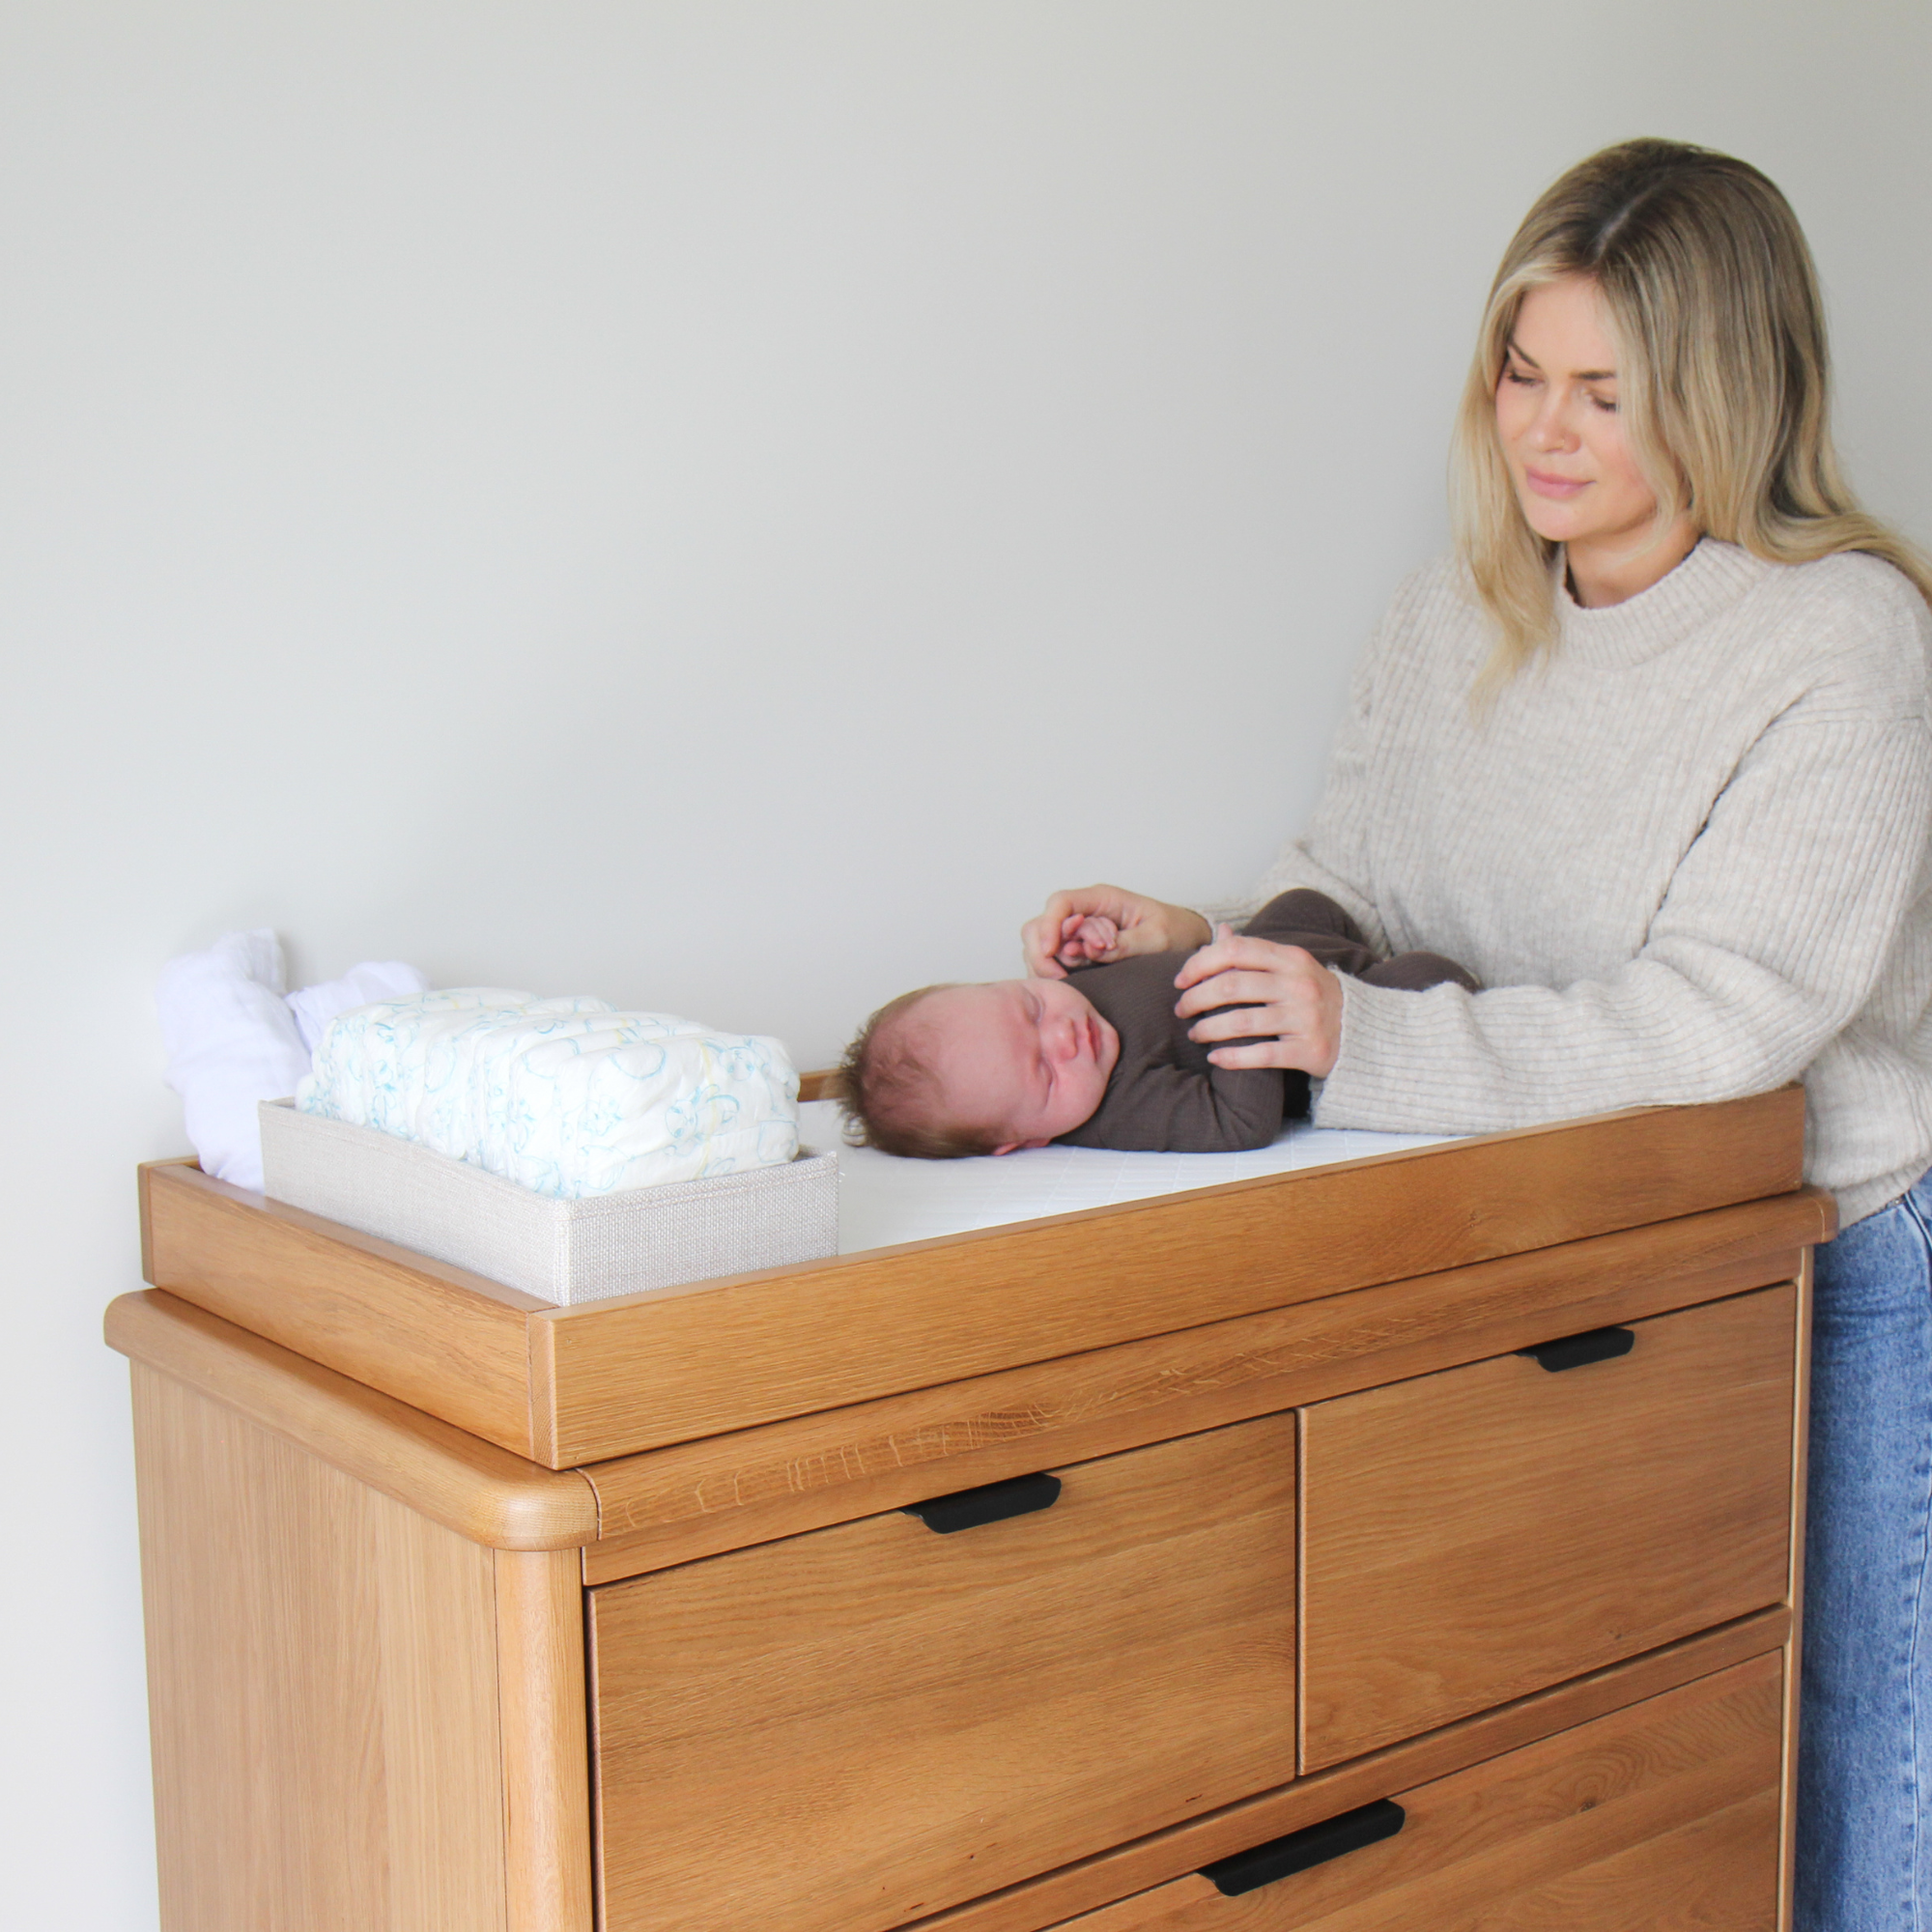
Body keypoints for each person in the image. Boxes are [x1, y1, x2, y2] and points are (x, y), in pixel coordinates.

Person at [1021, 139, 1932, 1932]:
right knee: (1641, 1770)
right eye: (1525, 373)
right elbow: (1355, 874)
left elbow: (1721, 1022)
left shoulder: (1844, 645)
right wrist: (1204, 940)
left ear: (1729, 396)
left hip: (1841, 1254)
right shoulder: (1455, 614)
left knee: (1854, 1764)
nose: (1546, 433)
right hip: (1578, 1244)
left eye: (1608, 392)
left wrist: (1368, 1049)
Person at [839, 891, 1475, 1157]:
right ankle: (1439, 995)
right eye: (1042, 1072)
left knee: (1301, 903)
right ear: (1023, 1141)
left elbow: (1140, 971)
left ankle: (1348, 948)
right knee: (1423, 975)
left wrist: (1099, 942)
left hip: (1275, 950)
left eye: (1030, 1009)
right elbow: (1240, 1125)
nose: (1062, 1035)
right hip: (1327, 1029)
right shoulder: (1119, 1111)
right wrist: (1236, 1007)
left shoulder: (1071, 1001)